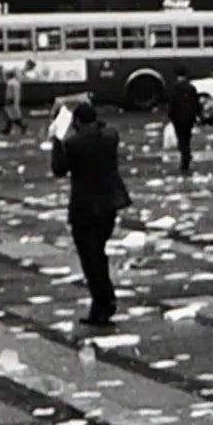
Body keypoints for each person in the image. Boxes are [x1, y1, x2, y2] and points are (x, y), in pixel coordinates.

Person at [50, 100, 130, 327]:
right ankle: (103, 301)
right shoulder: (111, 136)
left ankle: (103, 301)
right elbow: (102, 130)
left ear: (76, 122)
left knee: (90, 257)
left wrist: (56, 138)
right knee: (98, 252)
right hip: (109, 204)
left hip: (85, 207)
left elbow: (58, 169)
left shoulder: (74, 144)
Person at [167, 73, 201, 175]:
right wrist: (197, 114)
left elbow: (172, 104)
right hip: (189, 118)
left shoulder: (175, 89)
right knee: (187, 137)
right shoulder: (191, 88)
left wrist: (171, 116)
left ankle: (185, 156)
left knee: (181, 138)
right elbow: (195, 102)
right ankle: (186, 154)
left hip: (178, 119)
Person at [1, 61, 29, 136]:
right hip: (12, 100)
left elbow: (12, 93)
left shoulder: (11, 83)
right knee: (10, 115)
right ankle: (8, 129)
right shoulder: (15, 82)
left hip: (11, 100)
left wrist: (14, 102)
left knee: (12, 116)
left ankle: (22, 126)